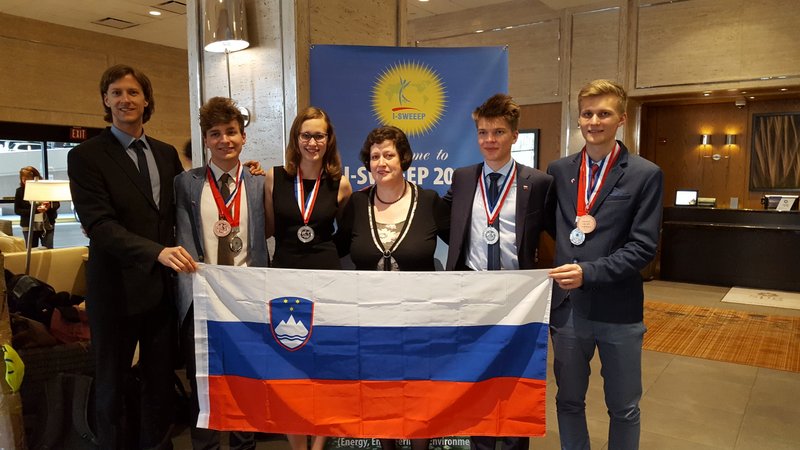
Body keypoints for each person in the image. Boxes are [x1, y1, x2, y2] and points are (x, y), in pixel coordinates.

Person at [68, 64, 198, 449]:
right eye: (116, 93)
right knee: (111, 384)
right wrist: (157, 253)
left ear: (146, 101)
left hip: (160, 294)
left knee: (159, 384)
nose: (125, 99)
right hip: (115, 291)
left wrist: (246, 173)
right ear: (105, 101)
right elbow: (100, 224)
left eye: (133, 92)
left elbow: (183, 204)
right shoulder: (86, 156)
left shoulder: (165, 154)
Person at [547, 79, 663, 450]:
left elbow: (643, 247)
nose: (594, 121)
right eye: (587, 113)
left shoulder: (645, 174)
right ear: (578, 118)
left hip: (619, 312)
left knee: (624, 407)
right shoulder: (558, 171)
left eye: (604, 113)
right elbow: (553, 228)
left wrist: (588, 272)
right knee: (568, 401)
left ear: (621, 119)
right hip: (568, 311)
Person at [444, 93, 554, 450]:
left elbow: (555, 232)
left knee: (516, 380)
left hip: (519, 297)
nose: (489, 140)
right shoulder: (463, 178)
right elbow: (442, 220)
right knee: (476, 378)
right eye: (483, 132)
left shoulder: (538, 182)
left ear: (514, 136)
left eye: (499, 132)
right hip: (473, 293)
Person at [335, 125, 450, 450]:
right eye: (374, 157)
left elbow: (461, 245)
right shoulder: (357, 204)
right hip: (371, 320)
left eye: (388, 155)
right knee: (381, 394)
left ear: (403, 159)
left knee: (419, 395)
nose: (381, 163)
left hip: (420, 320)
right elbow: (334, 249)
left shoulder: (428, 201)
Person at [175, 97, 267, 449]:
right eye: (215, 134)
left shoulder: (259, 182)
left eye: (231, 132)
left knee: (247, 381)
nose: (224, 140)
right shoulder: (185, 183)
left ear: (244, 137)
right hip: (202, 299)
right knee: (204, 385)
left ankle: (244, 445)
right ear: (206, 140)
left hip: (247, 299)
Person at [264, 106, 352, 450]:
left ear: (329, 140)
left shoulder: (340, 183)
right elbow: (269, 228)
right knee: (288, 369)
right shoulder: (274, 178)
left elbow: (345, 236)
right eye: (306, 135)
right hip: (284, 277)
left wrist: (323, 256)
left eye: (319, 135)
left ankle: (318, 446)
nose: (312, 142)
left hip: (326, 280)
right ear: (295, 138)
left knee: (325, 366)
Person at [14, 166, 60, 248]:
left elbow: (56, 204)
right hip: (28, 226)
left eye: (27, 178)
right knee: (31, 251)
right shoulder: (20, 191)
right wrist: (36, 210)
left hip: (47, 225)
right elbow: (17, 210)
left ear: (36, 178)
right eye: (22, 178)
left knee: (48, 250)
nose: (24, 181)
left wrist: (49, 207)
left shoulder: (46, 188)